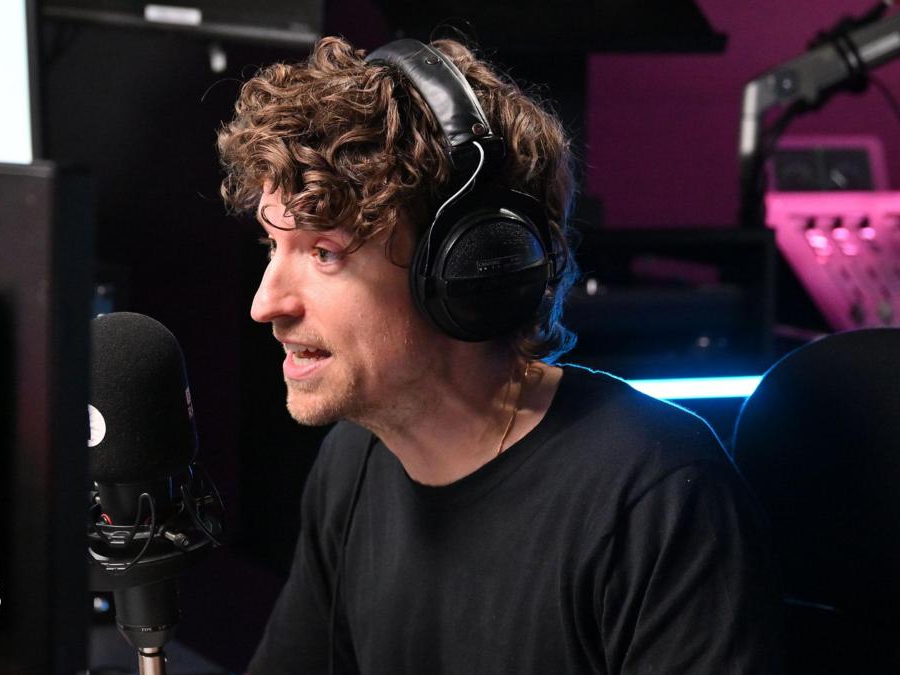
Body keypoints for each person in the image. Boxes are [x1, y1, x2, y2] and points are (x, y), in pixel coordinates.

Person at [217, 36, 782, 674]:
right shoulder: (355, 461)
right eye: (274, 244)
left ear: (469, 265)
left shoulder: (657, 500)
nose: (266, 304)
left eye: (325, 252)